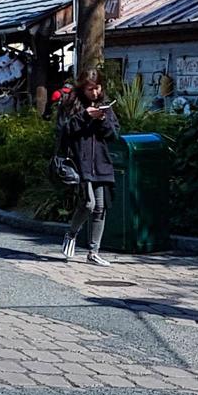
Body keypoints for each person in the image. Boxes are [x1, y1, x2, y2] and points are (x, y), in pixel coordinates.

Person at [57, 70, 120, 265]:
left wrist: (102, 120)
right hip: (79, 162)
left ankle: (94, 252)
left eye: (97, 88)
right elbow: (63, 130)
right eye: (90, 89)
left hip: (100, 163)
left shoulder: (105, 106)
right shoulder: (70, 104)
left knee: (101, 207)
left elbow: (114, 134)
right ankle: (72, 233)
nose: (94, 92)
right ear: (82, 88)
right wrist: (84, 116)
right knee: (88, 204)